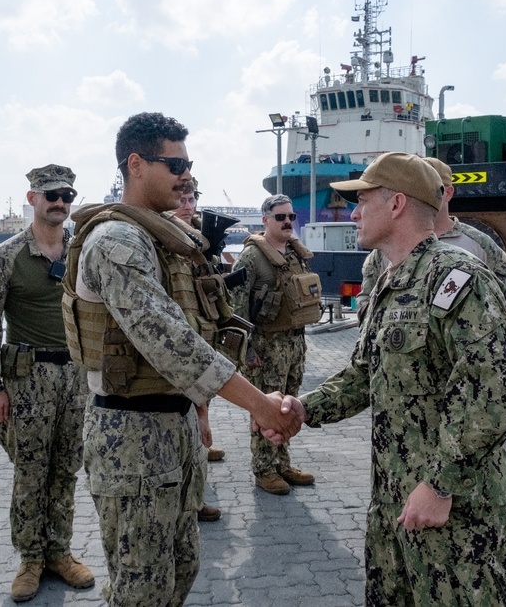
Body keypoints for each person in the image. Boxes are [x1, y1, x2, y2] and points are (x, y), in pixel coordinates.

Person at [64, 111, 301, 606]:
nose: (187, 175)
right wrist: (258, 404)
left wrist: (201, 412)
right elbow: (169, 341)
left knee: (180, 571)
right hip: (130, 436)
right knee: (142, 590)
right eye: (175, 165)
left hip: (174, 429)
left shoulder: (166, 240)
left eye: (189, 164)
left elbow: (204, 330)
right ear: (135, 165)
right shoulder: (116, 241)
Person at [275, 152, 506, 606]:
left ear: (398, 204)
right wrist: (304, 408)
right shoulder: (391, 280)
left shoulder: (459, 278)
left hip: (453, 507)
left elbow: (489, 398)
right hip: (393, 497)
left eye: (362, 200)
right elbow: (366, 373)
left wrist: (440, 485)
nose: (354, 212)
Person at [0, 164, 95, 602]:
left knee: (66, 469)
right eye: (50, 195)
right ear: (32, 199)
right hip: (28, 380)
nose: (59, 202)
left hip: (76, 377)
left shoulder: (81, 251)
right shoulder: (6, 257)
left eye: (66, 195)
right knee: (30, 472)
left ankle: (60, 552)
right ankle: (30, 559)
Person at [356, 156, 506, 321]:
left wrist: (456, 314)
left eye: (431, 188)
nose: (422, 193)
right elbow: (365, 304)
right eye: (416, 187)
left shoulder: (480, 244)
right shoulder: (384, 251)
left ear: (448, 193)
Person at [232, 194, 322, 495]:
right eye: (280, 217)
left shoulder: (295, 254)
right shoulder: (251, 258)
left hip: (294, 343)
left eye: (291, 217)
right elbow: (237, 308)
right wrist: (247, 350)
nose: (287, 222)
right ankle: (264, 469)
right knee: (265, 408)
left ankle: (282, 463)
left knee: (288, 406)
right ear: (265, 220)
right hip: (266, 347)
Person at [171, 177, 224, 522]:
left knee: (197, 427)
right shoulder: (167, 242)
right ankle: (186, 501)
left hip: (202, 341)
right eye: (182, 199)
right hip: (177, 351)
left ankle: (195, 498)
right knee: (185, 428)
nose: (188, 206)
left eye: (192, 199)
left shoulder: (198, 243)